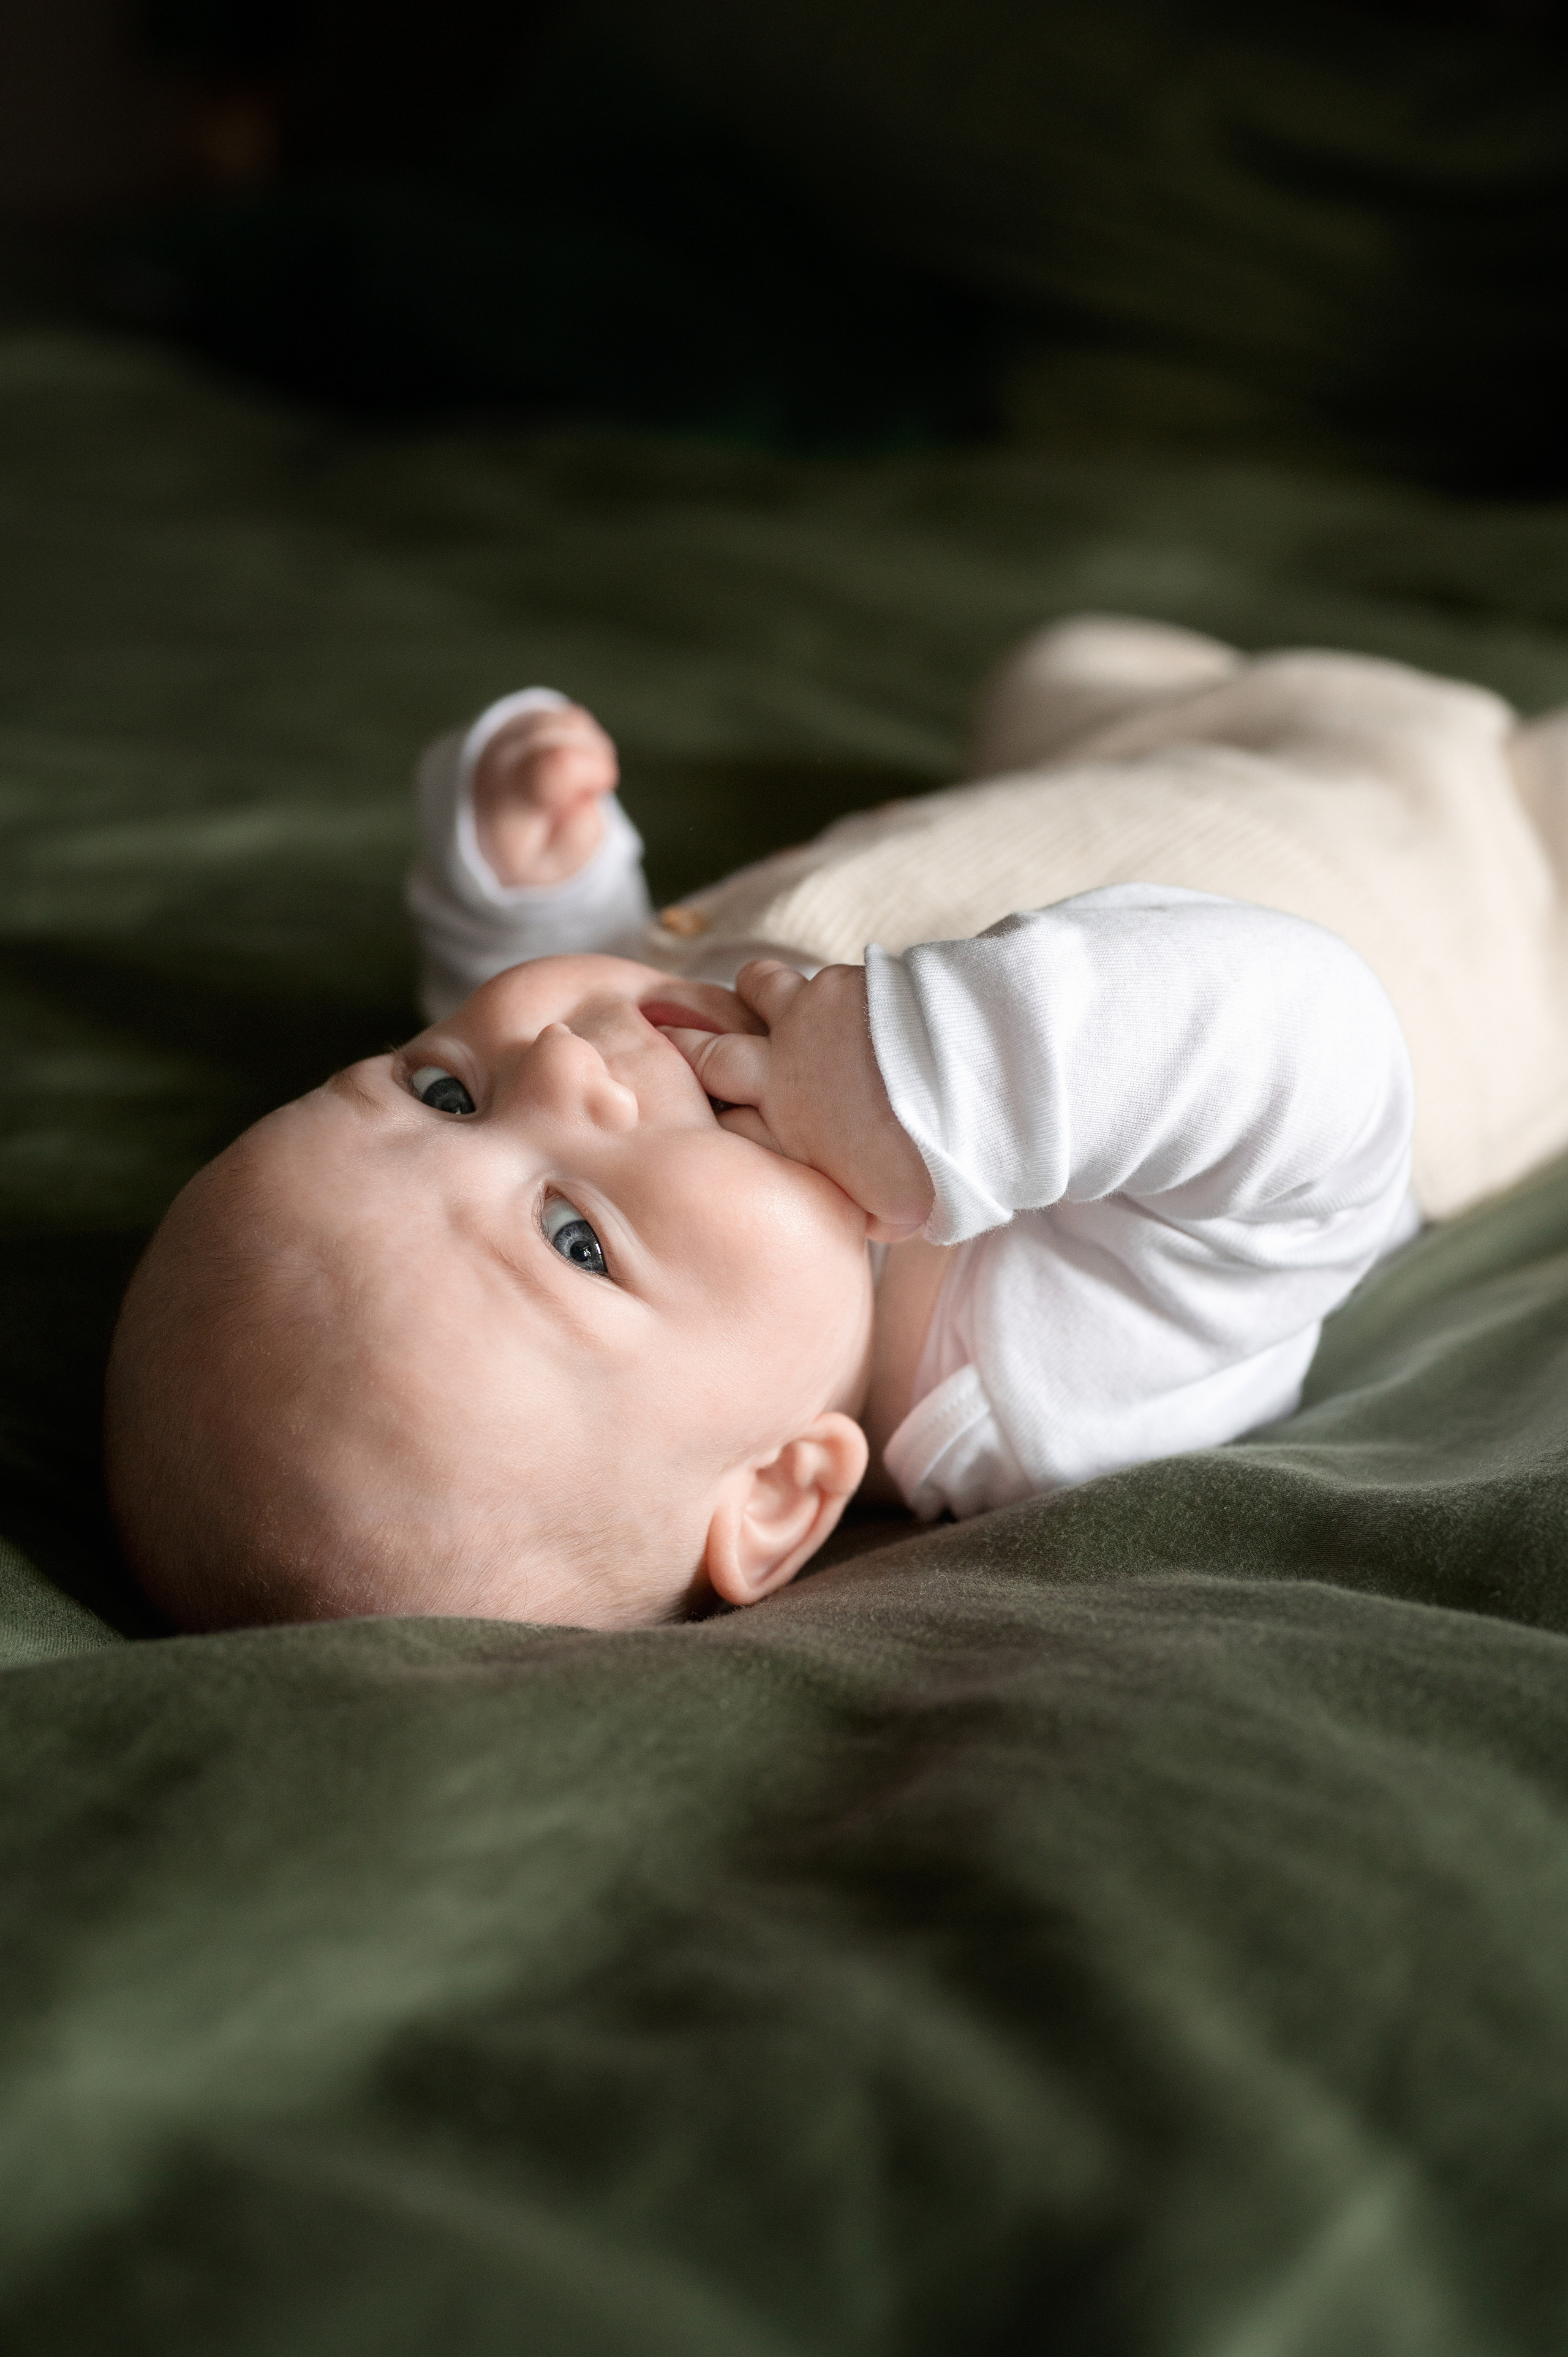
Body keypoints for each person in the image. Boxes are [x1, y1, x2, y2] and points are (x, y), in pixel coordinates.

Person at [103, 619, 1428, 1633]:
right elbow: (1315, 1053)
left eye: (441, 1094)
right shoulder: (1039, 1376)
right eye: (574, 1240)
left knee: (1058, 667)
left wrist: (525, 900)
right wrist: (936, 1079)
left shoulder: (653, 1094)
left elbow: (568, 1009)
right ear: (782, 1488)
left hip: (1114, 766)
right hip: (1445, 872)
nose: (563, 1066)